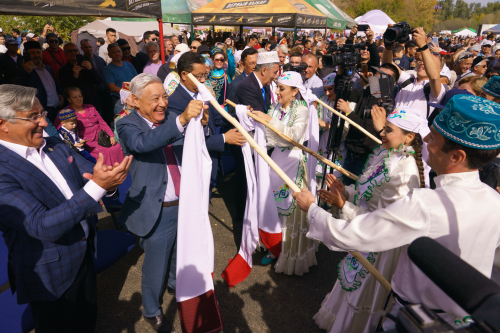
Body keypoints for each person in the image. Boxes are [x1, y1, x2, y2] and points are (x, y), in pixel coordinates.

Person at [294, 94, 500, 329]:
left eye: (432, 138)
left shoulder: (427, 204)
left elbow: (356, 234)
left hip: (416, 320)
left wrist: (311, 209)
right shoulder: (495, 202)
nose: (426, 143)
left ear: (456, 156)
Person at [0, 84, 131, 332]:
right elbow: (41, 225)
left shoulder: (54, 144)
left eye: (43, 113)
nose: (44, 122)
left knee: (86, 321)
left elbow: (89, 173)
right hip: (50, 273)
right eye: (33, 117)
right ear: (2, 124)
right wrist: (98, 187)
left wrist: (109, 181)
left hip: (84, 253)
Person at [313, 106, 427, 333]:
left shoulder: (404, 174)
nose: (382, 134)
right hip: (364, 232)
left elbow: (383, 226)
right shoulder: (387, 155)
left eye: (389, 130)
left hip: (379, 248)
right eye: (384, 128)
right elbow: (368, 195)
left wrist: (344, 205)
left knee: (361, 297)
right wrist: (345, 192)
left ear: (409, 137)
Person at [116, 73, 206, 332]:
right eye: (154, 98)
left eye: (165, 96)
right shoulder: (127, 124)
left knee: (181, 255)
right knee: (156, 265)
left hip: (184, 203)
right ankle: (152, 310)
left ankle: (176, 288)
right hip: (159, 209)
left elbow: (195, 142)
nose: (163, 104)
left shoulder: (169, 119)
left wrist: (208, 129)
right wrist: (181, 120)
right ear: (134, 100)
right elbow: (143, 144)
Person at [251, 71, 317, 274]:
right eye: (277, 87)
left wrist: (268, 121)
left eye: (282, 88)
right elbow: (271, 137)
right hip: (277, 161)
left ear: (295, 91)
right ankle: (274, 247)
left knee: (290, 208)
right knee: (274, 207)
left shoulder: (302, 109)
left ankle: (288, 252)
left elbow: (293, 138)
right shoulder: (276, 107)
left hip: (294, 162)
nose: (277, 92)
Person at [167, 52, 245, 190]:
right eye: (198, 76)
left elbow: (219, 119)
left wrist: (243, 115)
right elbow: (187, 142)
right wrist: (223, 138)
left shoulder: (202, 93)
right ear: (184, 75)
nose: (203, 80)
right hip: (193, 170)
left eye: (205, 75)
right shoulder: (174, 103)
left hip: (209, 165)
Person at [55, 86, 124, 166]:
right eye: (75, 97)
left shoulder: (90, 107)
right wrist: (72, 143)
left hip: (101, 137)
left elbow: (102, 123)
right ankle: (108, 174)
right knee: (104, 152)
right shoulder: (65, 112)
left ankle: (121, 171)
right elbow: (58, 130)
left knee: (117, 147)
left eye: (80, 96)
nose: (78, 99)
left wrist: (111, 136)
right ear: (69, 99)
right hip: (86, 142)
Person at [315, 73, 348, 188]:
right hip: (323, 145)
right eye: (325, 90)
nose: (327, 93)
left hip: (339, 148)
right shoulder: (323, 101)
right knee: (320, 181)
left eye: (330, 89)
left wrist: (324, 124)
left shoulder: (346, 103)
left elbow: (344, 132)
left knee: (334, 180)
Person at [20, 41, 64, 122]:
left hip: (57, 109)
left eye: (38, 52)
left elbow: (54, 83)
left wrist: (60, 93)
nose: (36, 55)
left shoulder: (48, 68)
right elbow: (22, 90)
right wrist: (26, 73)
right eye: (32, 53)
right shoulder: (24, 71)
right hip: (43, 112)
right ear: (26, 55)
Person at [58, 42, 103, 110]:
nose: (73, 53)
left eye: (75, 50)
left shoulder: (87, 63)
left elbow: (99, 81)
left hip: (92, 102)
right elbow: (66, 89)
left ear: (79, 51)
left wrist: (92, 69)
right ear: (65, 53)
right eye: (70, 51)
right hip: (76, 105)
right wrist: (75, 75)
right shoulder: (63, 70)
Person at [81, 39, 113, 124]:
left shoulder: (100, 60)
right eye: (86, 47)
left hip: (104, 92)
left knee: (107, 116)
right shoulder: (81, 61)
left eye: (90, 47)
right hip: (92, 94)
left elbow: (105, 75)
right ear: (82, 48)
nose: (88, 49)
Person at [103, 43, 138, 115]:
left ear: (122, 53)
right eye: (114, 52)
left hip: (134, 97)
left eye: (119, 51)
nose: (117, 54)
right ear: (109, 55)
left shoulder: (129, 65)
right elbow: (112, 87)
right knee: (122, 122)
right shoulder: (108, 69)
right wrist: (127, 92)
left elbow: (137, 79)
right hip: (119, 100)